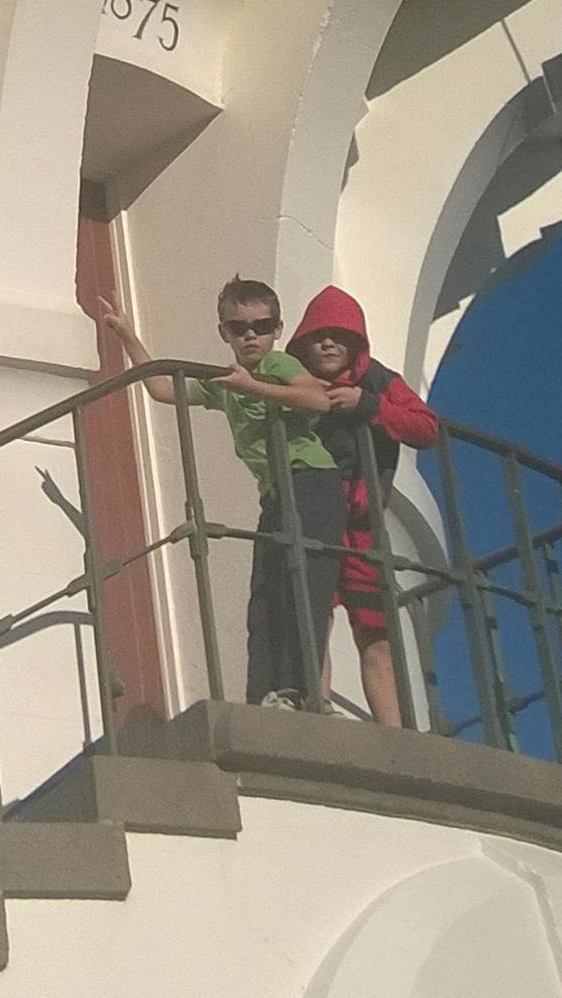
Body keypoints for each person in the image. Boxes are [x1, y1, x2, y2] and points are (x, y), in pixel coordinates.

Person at [98, 277, 346, 708]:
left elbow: (317, 399)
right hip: (276, 491)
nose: (251, 334)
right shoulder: (225, 379)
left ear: (277, 329)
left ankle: (300, 690)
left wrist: (252, 387)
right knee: (266, 591)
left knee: (301, 584)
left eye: (261, 325)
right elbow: (162, 390)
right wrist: (126, 333)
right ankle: (265, 694)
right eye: (238, 327)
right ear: (224, 332)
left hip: (310, 481)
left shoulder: (278, 366)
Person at [284, 286, 438, 729]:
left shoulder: (379, 381)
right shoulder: (293, 383)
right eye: (319, 336)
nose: (328, 343)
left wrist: (367, 404)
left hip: (362, 522)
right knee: (313, 617)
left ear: (355, 341)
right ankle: (318, 711)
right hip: (312, 515)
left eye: (339, 334)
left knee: (376, 630)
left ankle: (394, 732)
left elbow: (425, 428)